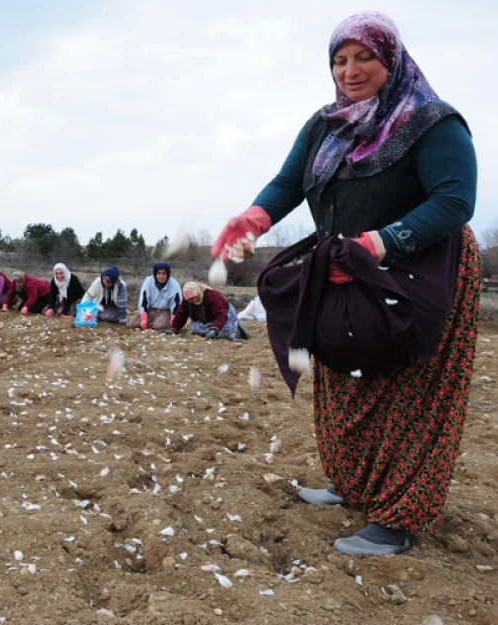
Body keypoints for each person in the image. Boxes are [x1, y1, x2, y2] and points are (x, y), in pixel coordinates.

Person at [211, 12, 478, 556]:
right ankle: (353, 483)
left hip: (422, 268)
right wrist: (253, 219)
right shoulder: (324, 125)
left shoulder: (432, 122)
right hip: (347, 261)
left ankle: (397, 518)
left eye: (365, 58)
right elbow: (289, 182)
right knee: (344, 374)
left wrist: (379, 244)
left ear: (392, 60)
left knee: (412, 390)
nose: (350, 70)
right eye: (339, 59)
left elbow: (455, 200)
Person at [167, 282, 245, 340]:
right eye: (191, 299)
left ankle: (237, 330)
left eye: (195, 297)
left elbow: (221, 315)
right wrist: (174, 329)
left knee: (223, 331)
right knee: (196, 330)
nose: (194, 300)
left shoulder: (212, 296)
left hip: (225, 314)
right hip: (205, 320)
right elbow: (181, 314)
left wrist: (215, 329)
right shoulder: (187, 300)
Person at [128, 262, 183, 331]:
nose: (161, 276)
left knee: (159, 325)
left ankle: (158, 323)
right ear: (155, 274)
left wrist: (174, 320)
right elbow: (143, 300)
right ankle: (150, 322)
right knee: (132, 324)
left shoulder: (174, 285)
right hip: (150, 309)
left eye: (164, 273)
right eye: (159, 273)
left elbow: (176, 305)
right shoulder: (148, 281)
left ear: (168, 274)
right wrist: (144, 319)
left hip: (166, 311)